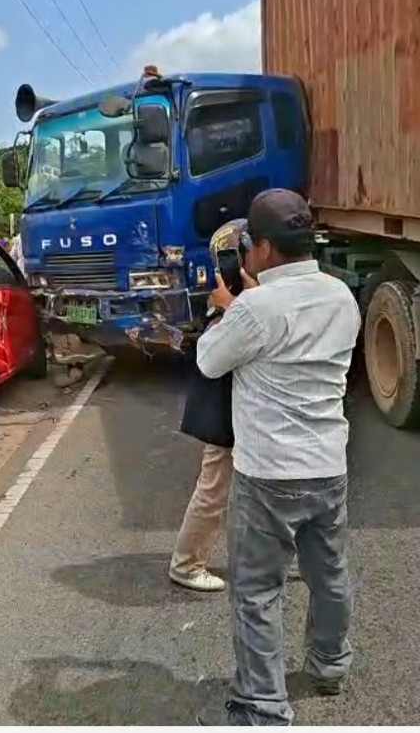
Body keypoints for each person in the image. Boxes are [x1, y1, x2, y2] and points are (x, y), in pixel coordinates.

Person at [195, 189, 361, 727]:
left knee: (257, 591)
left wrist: (226, 310)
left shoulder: (256, 308)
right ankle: (330, 665)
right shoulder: (341, 295)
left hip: (268, 473)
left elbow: (209, 361)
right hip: (328, 465)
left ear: (263, 247)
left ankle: (263, 705)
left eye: (248, 243)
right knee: (329, 575)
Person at [169, 220, 256, 593]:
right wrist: (235, 306)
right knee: (215, 487)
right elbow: (215, 356)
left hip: (249, 412)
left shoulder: (247, 296)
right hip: (228, 414)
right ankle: (187, 563)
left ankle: (274, 559)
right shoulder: (226, 302)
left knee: (270, 490)